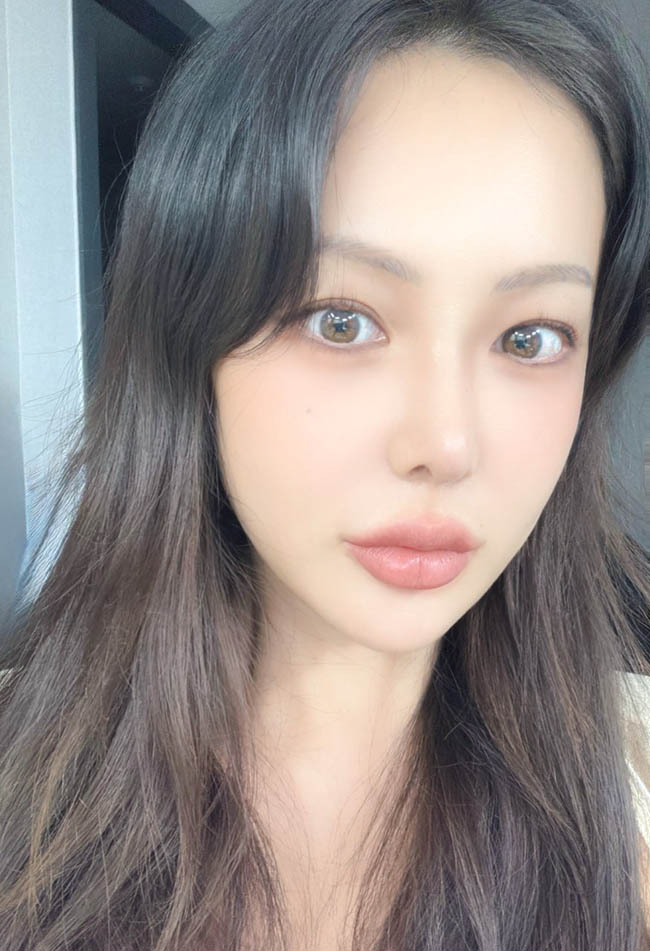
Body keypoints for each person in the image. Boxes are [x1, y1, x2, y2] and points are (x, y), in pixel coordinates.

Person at [0, 0, 649, 948]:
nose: (446, 445)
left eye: (530, 337)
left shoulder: (628, 792)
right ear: (193, 339)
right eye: (340, 320)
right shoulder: (22, 784)